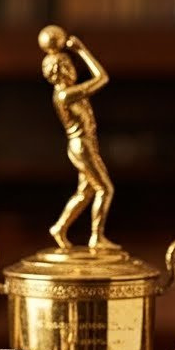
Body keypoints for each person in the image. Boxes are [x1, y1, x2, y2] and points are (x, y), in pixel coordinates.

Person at [39, 26, 115, 250]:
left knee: (85, 192)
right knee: (105, 189)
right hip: (81, 147)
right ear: (60, 71)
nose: (73, 70)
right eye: (69, 66)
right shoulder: (66, 95)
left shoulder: (67, 92)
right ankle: (96, 236)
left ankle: (59, 228)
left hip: (86, 145)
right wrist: (81, 50)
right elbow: (102, 78)